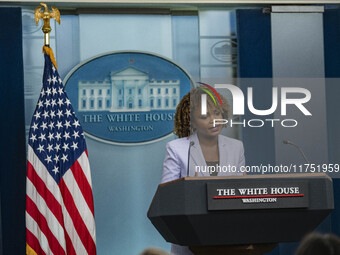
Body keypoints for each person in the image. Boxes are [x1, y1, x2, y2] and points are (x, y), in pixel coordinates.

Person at [161, 86, 245, 255]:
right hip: (190, 238)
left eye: (217, 113)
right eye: (205, 116)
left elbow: (243, 191)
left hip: (228, 237)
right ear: (191, 121)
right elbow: (166, 194)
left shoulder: (236, 147)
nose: (214, 120)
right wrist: (190, 189)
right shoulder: (176, 148)